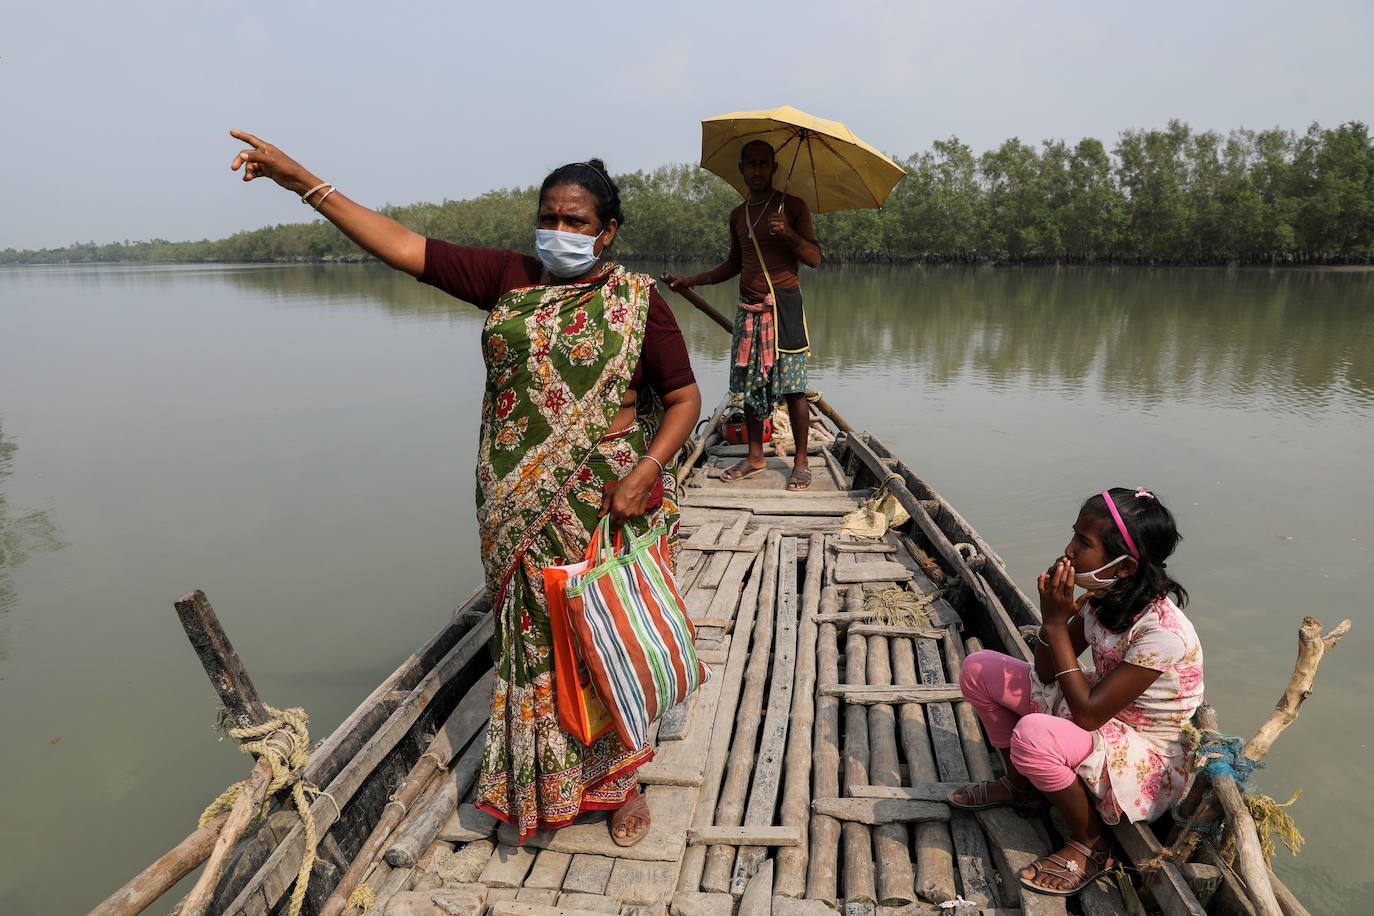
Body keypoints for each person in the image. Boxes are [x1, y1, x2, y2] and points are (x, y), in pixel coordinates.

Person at [228, 130, 703, 847]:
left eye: (577, 222)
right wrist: (303, 182)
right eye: (549, 217)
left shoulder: (640, 301)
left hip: (603, 498)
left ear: (607, 232)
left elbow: (686, 398)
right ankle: (541, 783)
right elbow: (399, 243)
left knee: (598, 630)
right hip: (512, 501)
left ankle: (620, 779)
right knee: (530, 642)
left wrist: (648, 469)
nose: (560, 232)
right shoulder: (508, 277)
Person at [949, 488, 1203, 897]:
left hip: (1146, 754)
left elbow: (1086, 716)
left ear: (1124, 566)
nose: (1068, 550)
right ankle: (1020, 787)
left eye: (1084, 543)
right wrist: (1059, 615)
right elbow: (1047, 671)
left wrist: (1052, 624)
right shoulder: (1102, 599)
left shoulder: (1163, 633)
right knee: (979, 668)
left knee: (1032, 735)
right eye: (1075, 536)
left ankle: (1091, 842)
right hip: (1100, 712)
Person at [663, 140, 822, 490]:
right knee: (749, 388)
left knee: (794, 389)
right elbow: (734, 264)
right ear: (742, 169)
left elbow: (814, 258)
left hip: (785, 308)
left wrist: (789, 234)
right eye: (750, 164)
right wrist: (692, 280)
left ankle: (800, 461)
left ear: (774, 168)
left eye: (764, 164)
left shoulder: (792, 206)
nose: (757, 170)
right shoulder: (739, 215)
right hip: (748, 312)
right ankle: (755, 456)